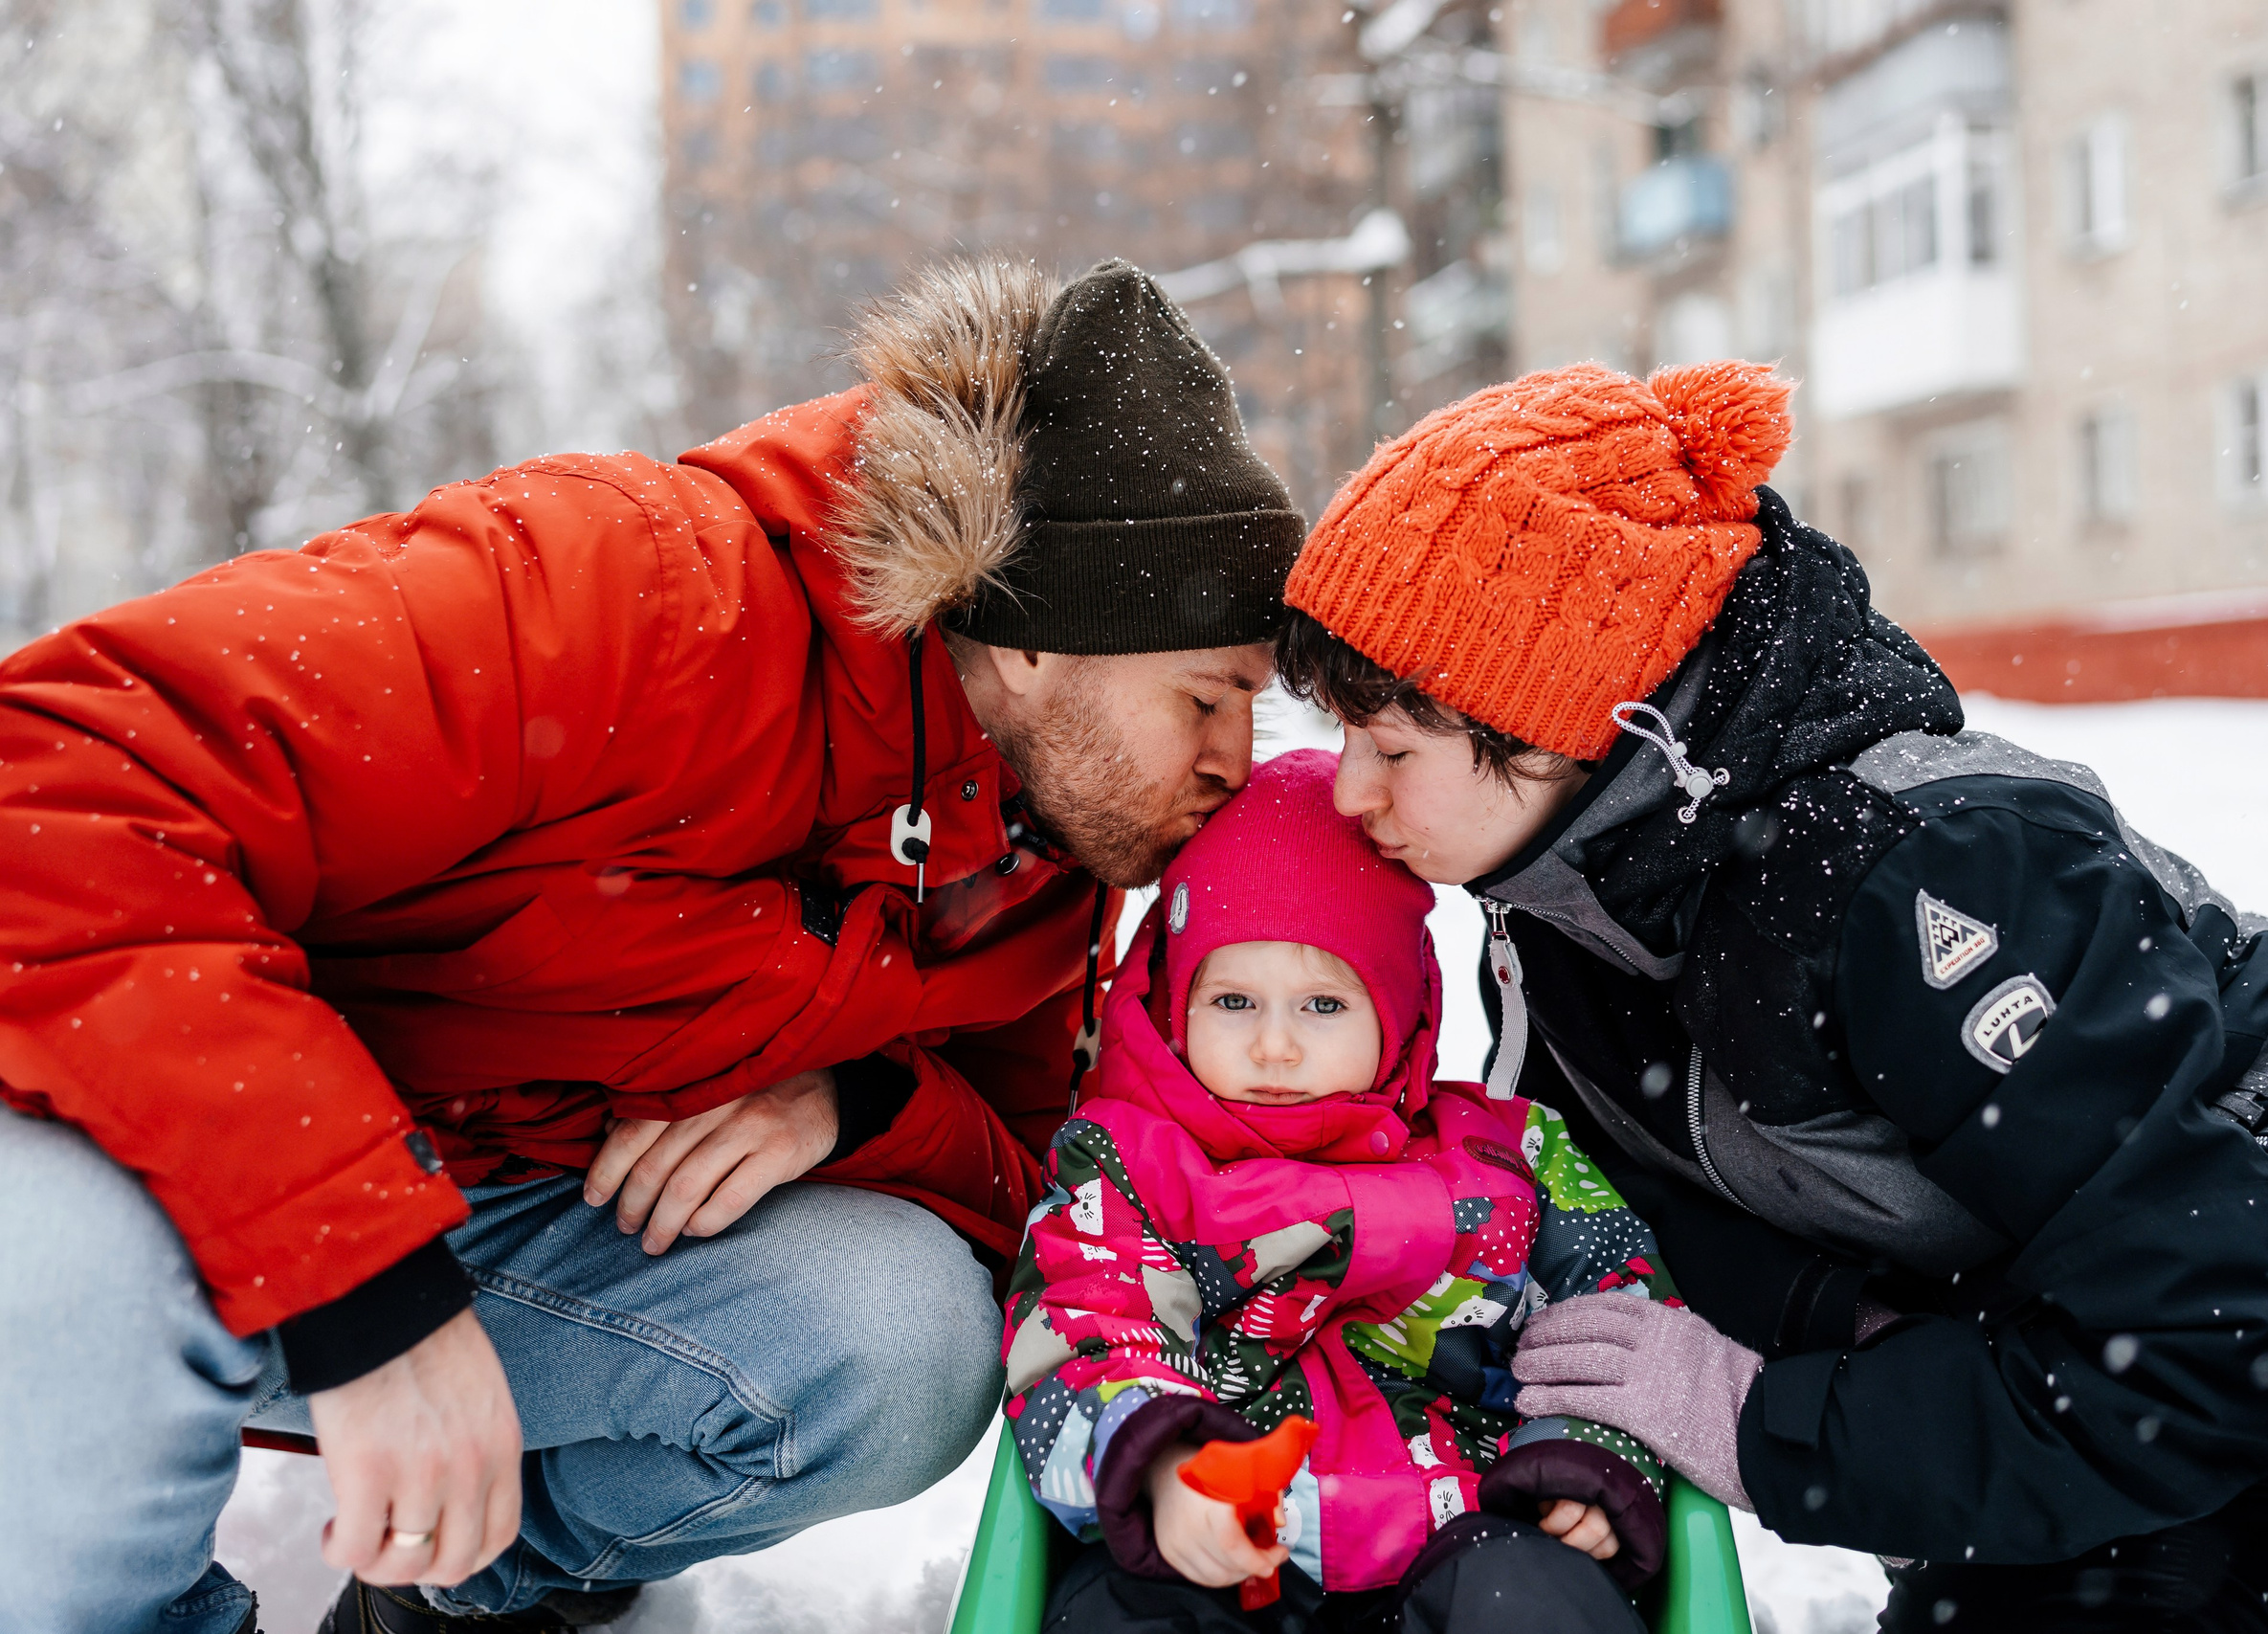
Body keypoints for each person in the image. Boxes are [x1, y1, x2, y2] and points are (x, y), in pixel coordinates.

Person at [0, 258, 1309, 1634]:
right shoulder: (629, 586)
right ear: (1044, 641)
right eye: (1210, 697)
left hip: (508, 1228)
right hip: (176, 1180)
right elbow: (49, 787)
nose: (1237, 761)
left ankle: (471, 1595)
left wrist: (859, 1103)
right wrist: (363, 1277)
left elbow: (1032, 1193)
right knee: (76, 1279)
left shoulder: (1042, 846)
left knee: (897, 1335)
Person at [1270, 360, 2268, 1632]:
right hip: (2111, 1325)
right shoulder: (1574, 903)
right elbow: (1652, 1222)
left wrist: (1762, 1422)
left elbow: (2195, 1328)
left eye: (1392, 744)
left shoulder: (1911, 877)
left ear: (1565, 722)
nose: (1350, 791)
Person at [1006, 749, 1684, 1634]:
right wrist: (1172, 1463)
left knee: (1533, 1600)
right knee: (1123, 1613)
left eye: (1324, 1004)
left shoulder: (1509, 1157)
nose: (1275, 1046)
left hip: (1467, 1526)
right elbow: (1087, 1311)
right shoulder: (1129, 1166)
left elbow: (1617, 1313)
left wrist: (1584, 1456)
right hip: (1220, 1536)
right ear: (1178, 1001)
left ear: (1399, 1008)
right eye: (1234, 1000)